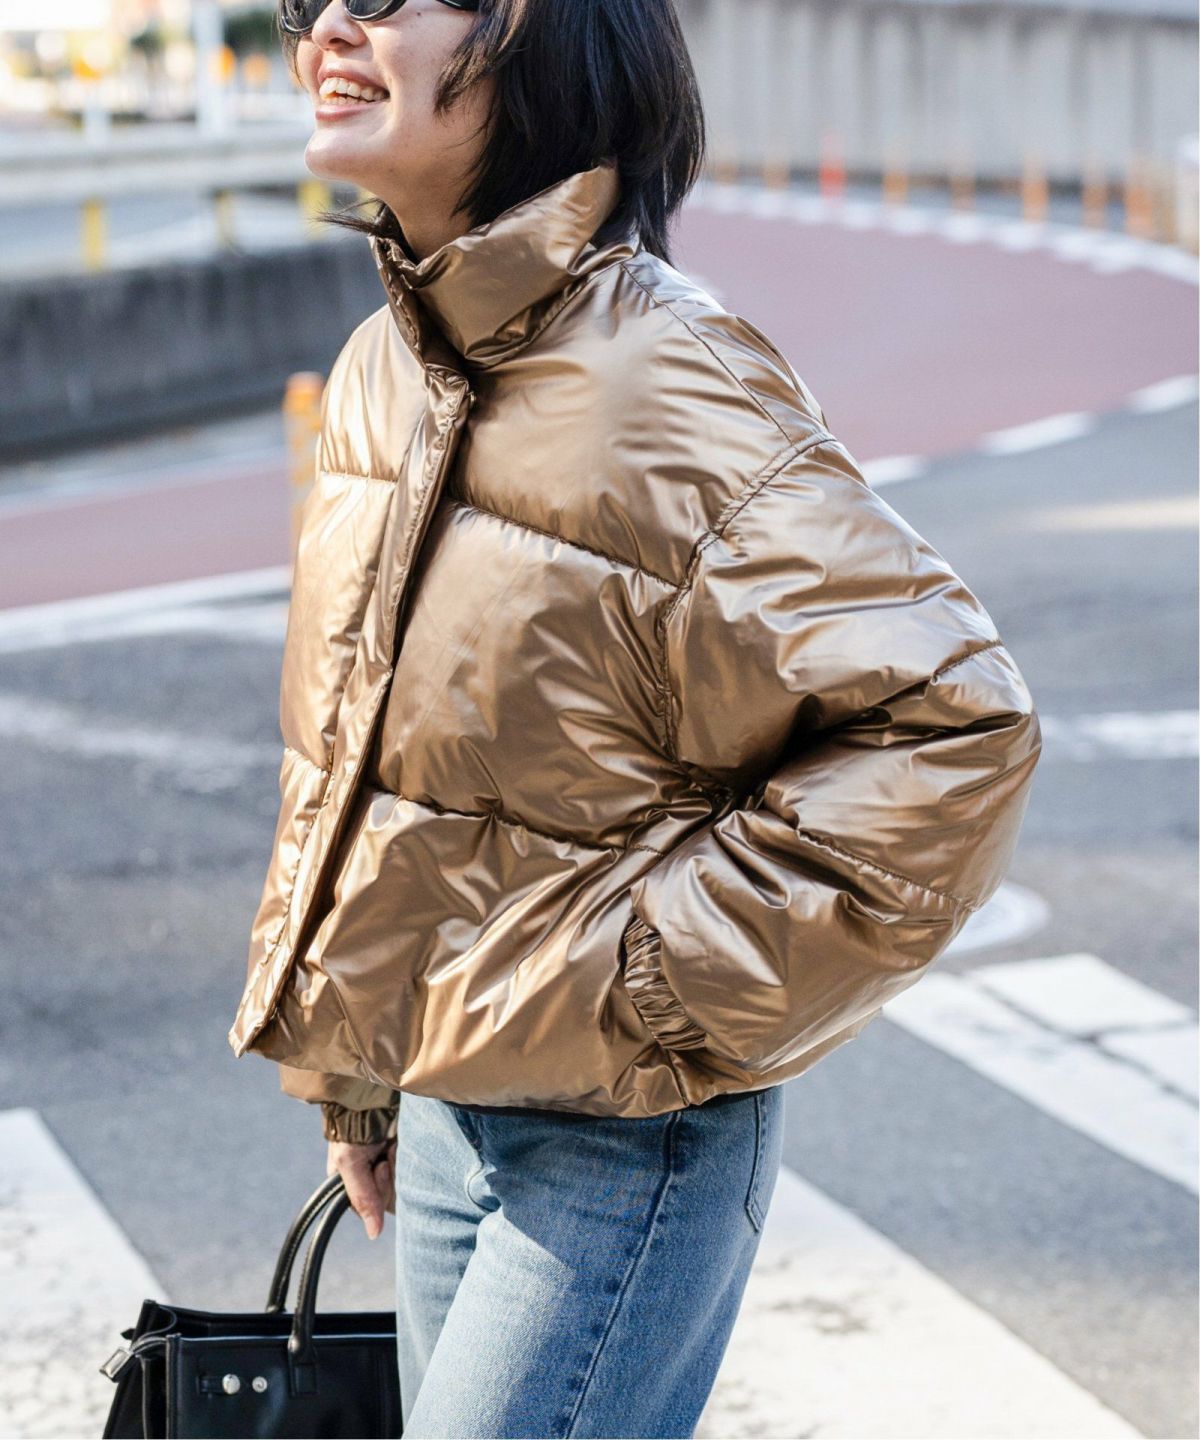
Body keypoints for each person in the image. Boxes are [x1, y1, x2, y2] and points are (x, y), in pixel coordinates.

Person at [226, 1, 1043, 1434]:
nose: (332, 26)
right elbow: (365, 758)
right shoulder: (378, 371)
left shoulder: (669, 377)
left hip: (620, 1153)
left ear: (551, 36)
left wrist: (648, 989)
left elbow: (954, 726)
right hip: (442, 1109)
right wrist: (353, 1072)